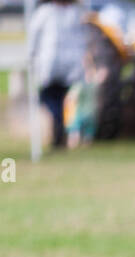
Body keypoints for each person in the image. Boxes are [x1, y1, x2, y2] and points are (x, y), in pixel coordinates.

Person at [28, 0, 86, 148]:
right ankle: (59, 127)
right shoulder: (51, 12)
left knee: (57, 100)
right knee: (52, 99)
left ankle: (60, 128)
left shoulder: (75, 13)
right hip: (54, 65)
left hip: (63, 66)